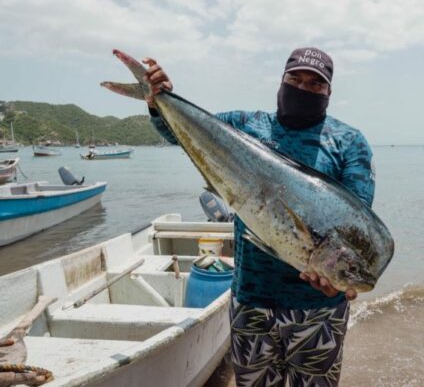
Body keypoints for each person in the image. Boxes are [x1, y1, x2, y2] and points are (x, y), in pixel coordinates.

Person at [144, 47, 375, 386]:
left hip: (320, 309)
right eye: (295, 79)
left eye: (315, 84)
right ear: (281, 81)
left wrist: (343, 283)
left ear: (328, 92)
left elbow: (357, 220)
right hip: (252, 300)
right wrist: (158, 100)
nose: (303, 88)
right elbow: (176, 132)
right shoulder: (244, 125)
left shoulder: (349, 142)